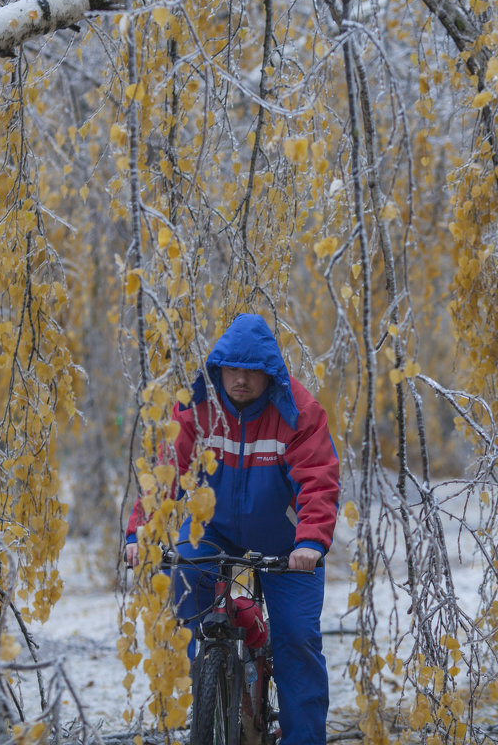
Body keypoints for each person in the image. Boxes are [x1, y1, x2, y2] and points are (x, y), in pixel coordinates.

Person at [125, 313, 340, 745]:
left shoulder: (299, 413)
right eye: (232, 369)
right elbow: (167, 472)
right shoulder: (197, 408)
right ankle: (216, 681)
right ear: (218, 367)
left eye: (252, 371)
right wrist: (140, 534)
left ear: (270, 373)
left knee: (297, 639)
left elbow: (318, 482)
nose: (240, 380)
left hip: (286, 542)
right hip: (214, 528)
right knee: (186, 583)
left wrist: (311, 542)